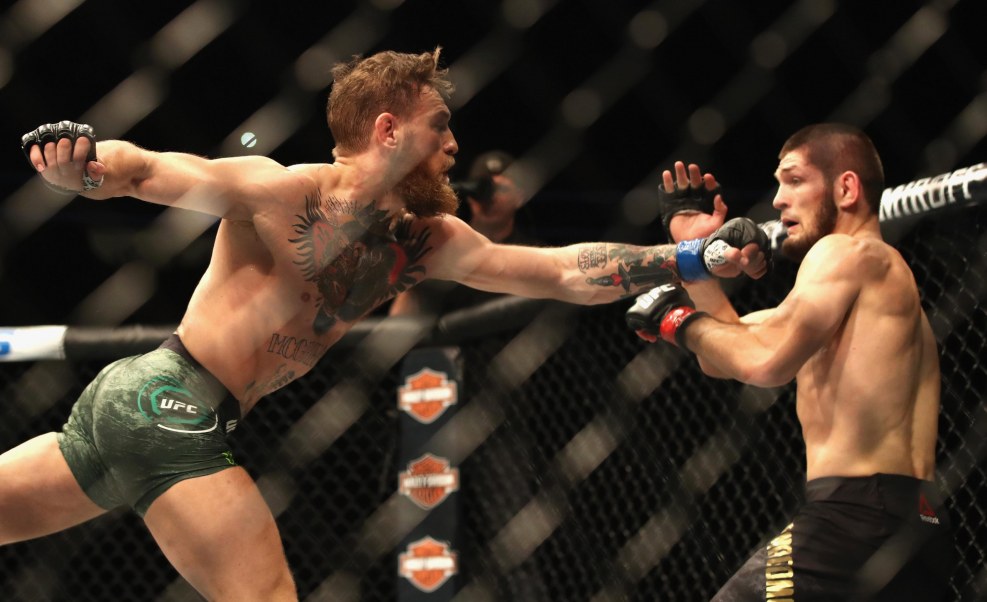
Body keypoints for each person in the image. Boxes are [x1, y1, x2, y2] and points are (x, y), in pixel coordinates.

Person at [2, 48, 768, 602]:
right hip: (168, 402)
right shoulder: (283, 191)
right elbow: (152, 170)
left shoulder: (427, 241)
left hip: (147, 414)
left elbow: (563, 272)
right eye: (440, 127)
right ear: (389, 129)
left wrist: (689, 258)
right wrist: (84, 167)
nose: (454, 146)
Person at [630, 124, 954, 600]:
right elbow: (728, 353)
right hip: (912, 517)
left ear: (846, 188)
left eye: (795, 180)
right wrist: (692, 255)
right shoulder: (862, 288)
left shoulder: (847, 251)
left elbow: (764, 363)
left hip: (854, 512)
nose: (779, 200)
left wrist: (677, 321)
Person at [388, 149, 544, 317]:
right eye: (481, 188)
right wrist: (413, 274)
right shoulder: (441, 248)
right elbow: (399, 319)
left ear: (520, 198)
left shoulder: (534, 253)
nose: (491, 197)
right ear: (469, 194)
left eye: (502, 189)